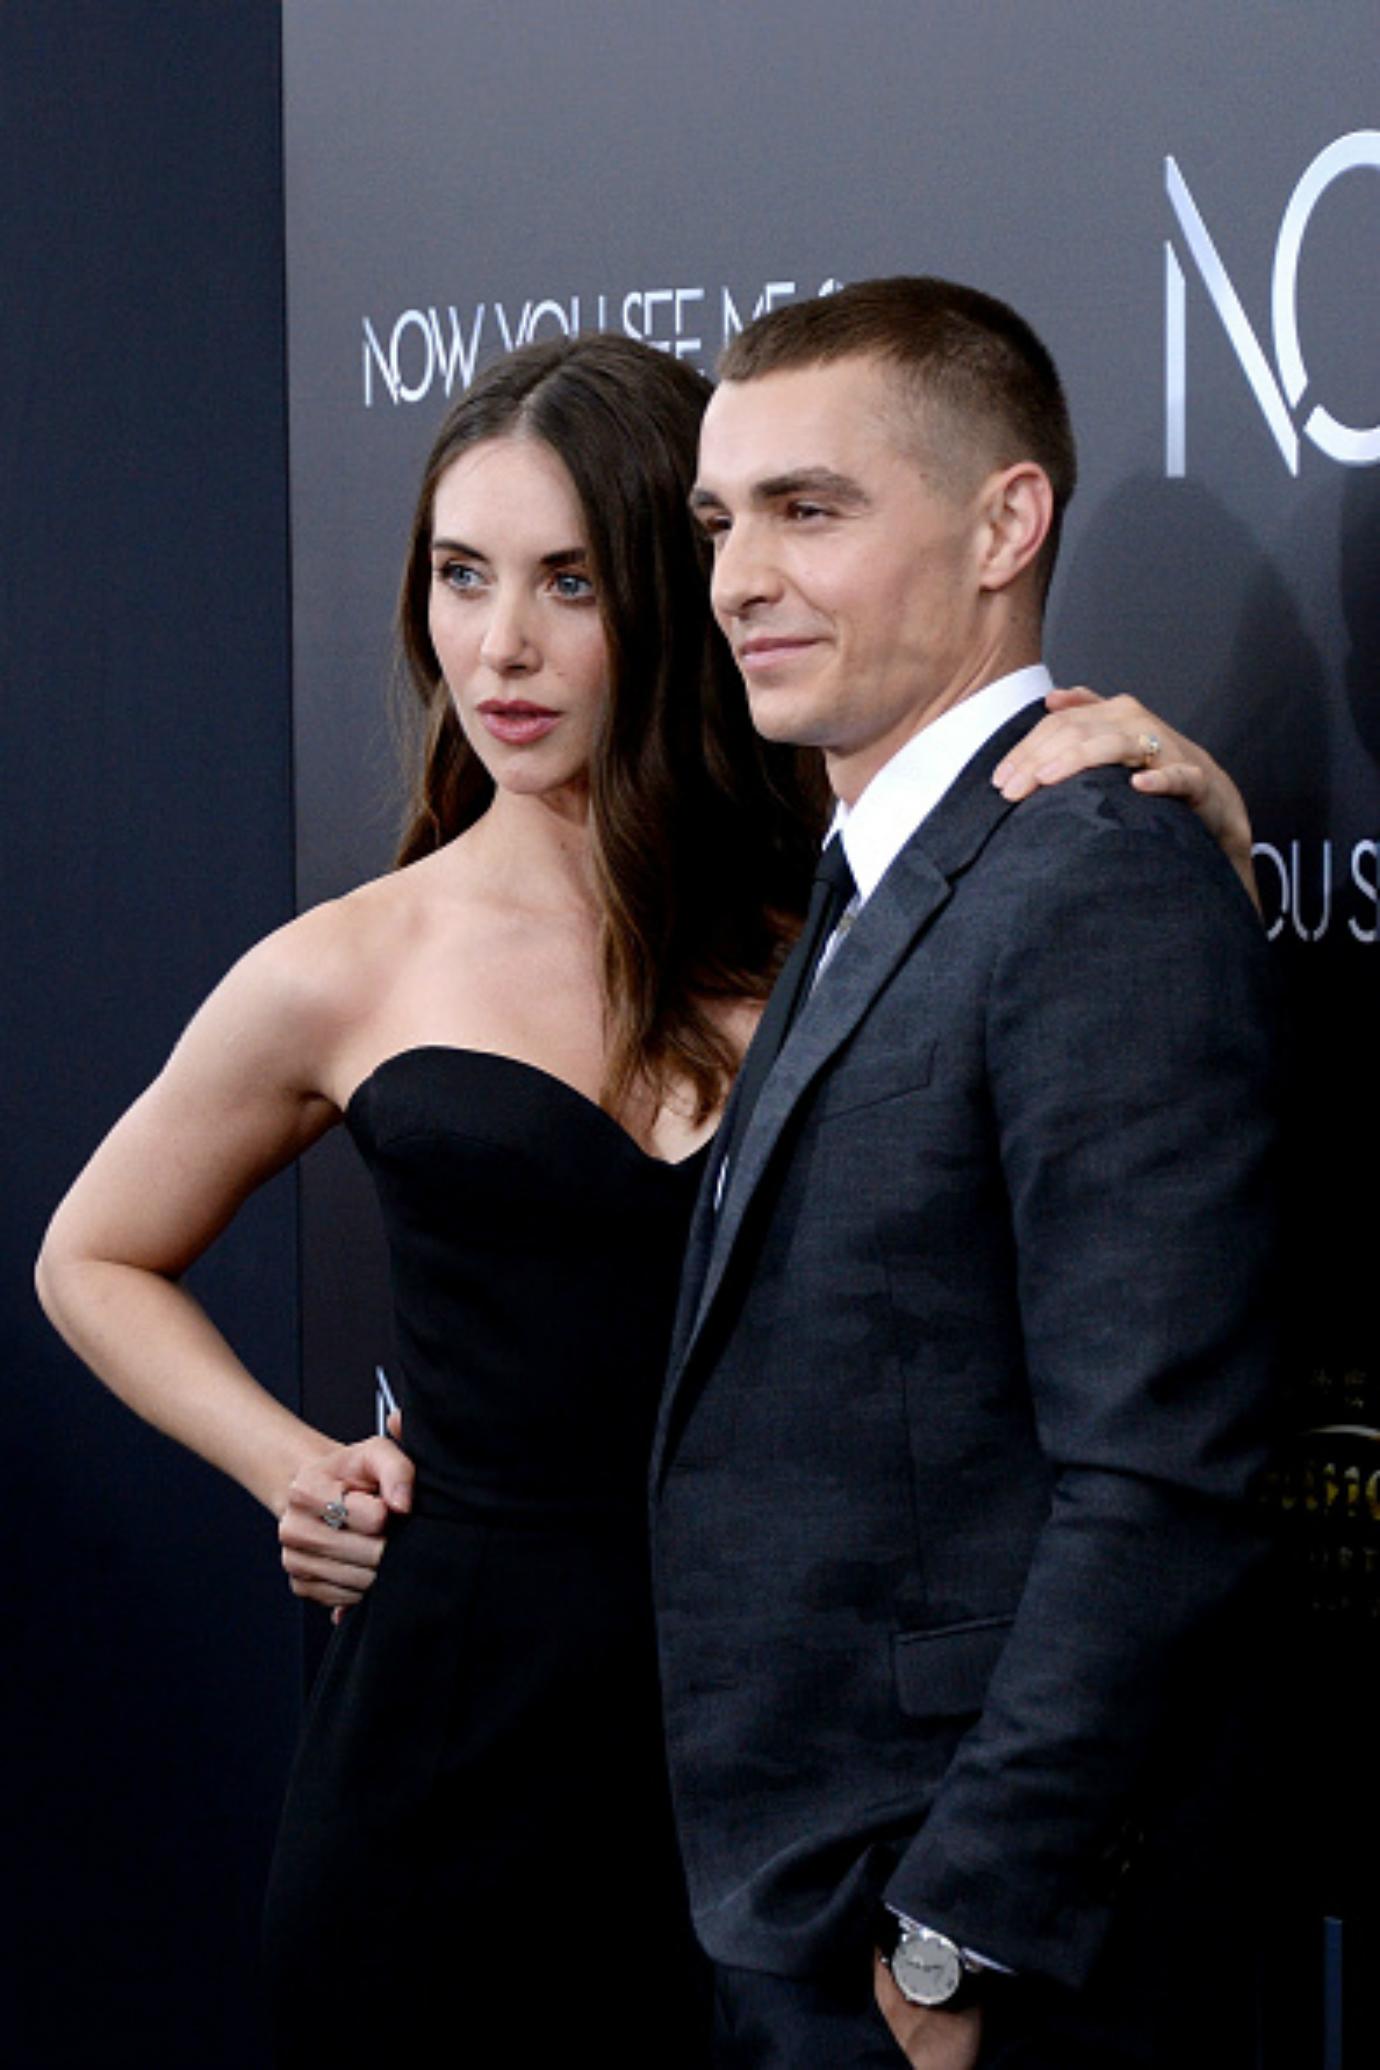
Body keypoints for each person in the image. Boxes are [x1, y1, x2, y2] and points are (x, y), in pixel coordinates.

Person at [34, 330, 1250, 2067]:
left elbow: (1050, 968)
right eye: (460, 577)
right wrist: (290, 1462)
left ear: (675, 598)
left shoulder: (843, 909)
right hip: (454, 1747)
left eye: (568, 582)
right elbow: (91, 1250)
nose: (500, 646)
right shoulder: (346, 964)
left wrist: (1189, 806)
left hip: (783, 1768)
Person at [651, 278, 1279, 2070]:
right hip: (796, 1909)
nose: (738, 580)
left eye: (810, 509)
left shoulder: (1092, 881)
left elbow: (1160, 1476)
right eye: (721, 520)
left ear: (1008, 521)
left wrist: (955, 1933)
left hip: (961, 1959)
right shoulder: (876, 880)